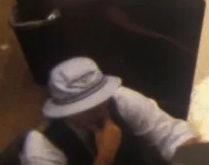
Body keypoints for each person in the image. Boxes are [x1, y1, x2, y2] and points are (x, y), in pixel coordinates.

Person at [23, 57, 194, 165]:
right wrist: (105, 157)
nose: (97, 111)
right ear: (64, 111)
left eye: (100, 101)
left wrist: (191, 153)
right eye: (84, 108)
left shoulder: (121, 99)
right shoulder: (41, 148)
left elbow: (170, 133)